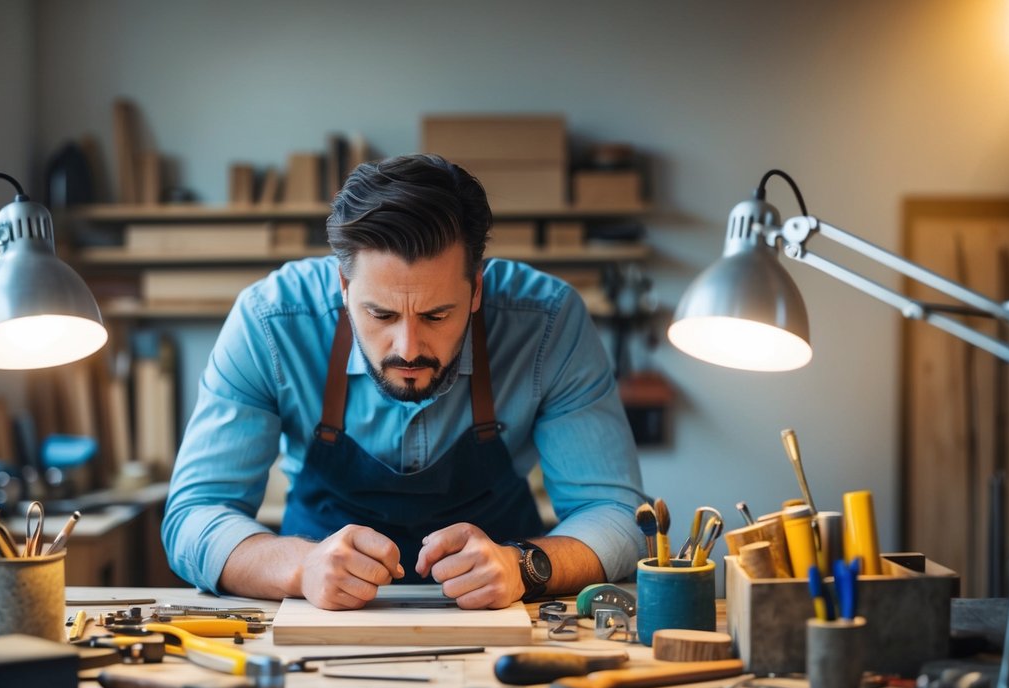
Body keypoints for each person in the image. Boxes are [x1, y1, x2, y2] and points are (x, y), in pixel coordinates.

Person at [163, 152, 646, 611]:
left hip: (496, 609)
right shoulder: (270, 321)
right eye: (380, 313)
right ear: (345, 289)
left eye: (438, 314)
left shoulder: (546, 322)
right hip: (324, 616)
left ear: (476, 289)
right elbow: (194, 516)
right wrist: (300, 566)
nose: (408, 348)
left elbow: (618, 515)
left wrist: (525, 566)